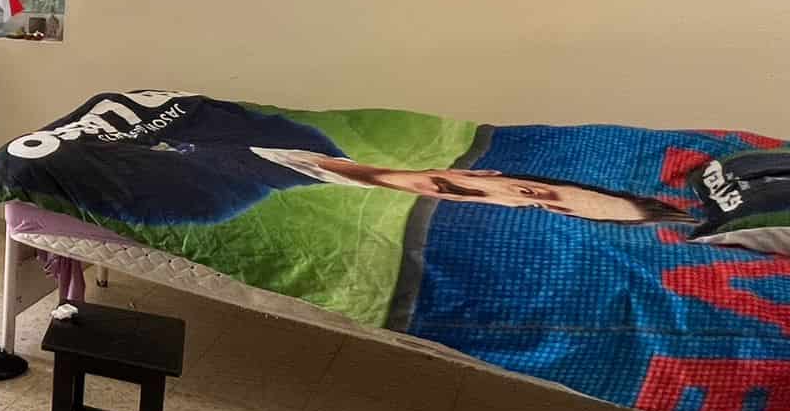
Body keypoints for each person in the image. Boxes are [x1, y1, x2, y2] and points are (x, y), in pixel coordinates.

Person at [250, 148, 695, 224]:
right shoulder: (304, 135)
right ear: (490, 174)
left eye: (539, 209)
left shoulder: (249, 202)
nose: (482, 197)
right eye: (531, 193)